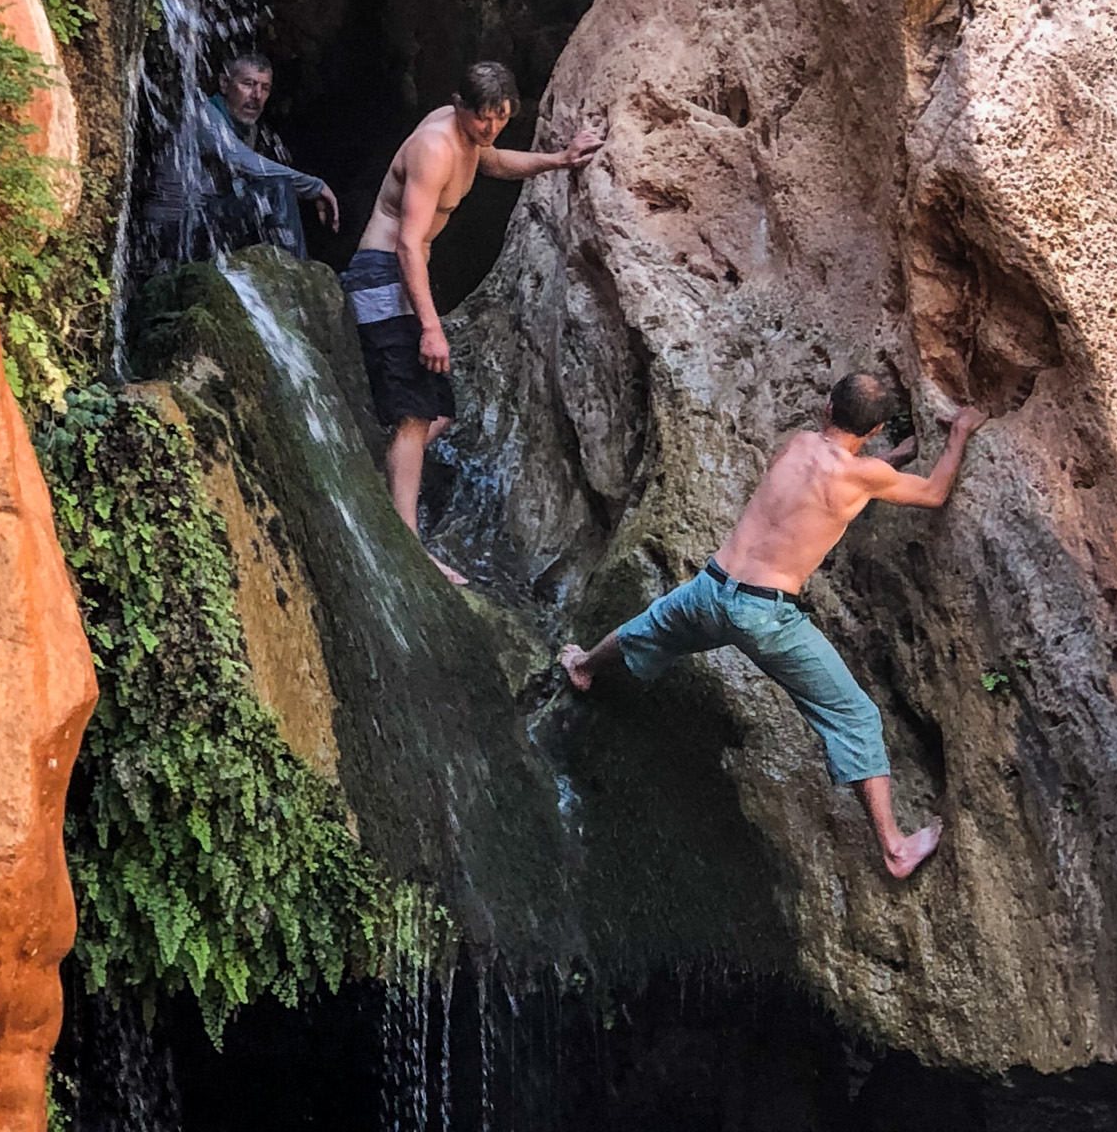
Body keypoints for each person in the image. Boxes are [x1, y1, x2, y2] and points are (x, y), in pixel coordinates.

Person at [558, 374, 988, 879]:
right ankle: (894, 846)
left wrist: (884, 462)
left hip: (712, 587)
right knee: (855, 717)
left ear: (826, 408)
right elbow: (934, 492)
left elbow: (823, 487)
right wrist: (958, 431)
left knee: (650, 625)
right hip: (764, 613)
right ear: (872, 431)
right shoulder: (863, 475)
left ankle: (584, 665)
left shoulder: (801, 444)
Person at [342, 60, 602, 585]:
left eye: (501, 119)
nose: (490, 130)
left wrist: (559, 159)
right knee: (416, 414)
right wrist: (432, 327)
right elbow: (408, 243)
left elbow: (494, 161)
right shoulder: (436, 147)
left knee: (440, 413)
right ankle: (407, 546)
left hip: (402, 276)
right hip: (382, 274)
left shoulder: (472, 139)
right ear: (459, 105)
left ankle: (383, 476)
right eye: (483, 119)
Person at [143, 51, 339, 266]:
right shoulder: (202, 114)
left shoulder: (248, 131)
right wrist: (314, 186)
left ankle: (288, 274)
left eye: (265, 88)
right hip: (170, 234)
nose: (256, 95)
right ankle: (297, 276)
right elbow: (244, 162)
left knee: (269, 195)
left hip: (202, 227)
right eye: (248, 84)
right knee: (276, 189)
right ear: (225, 84)